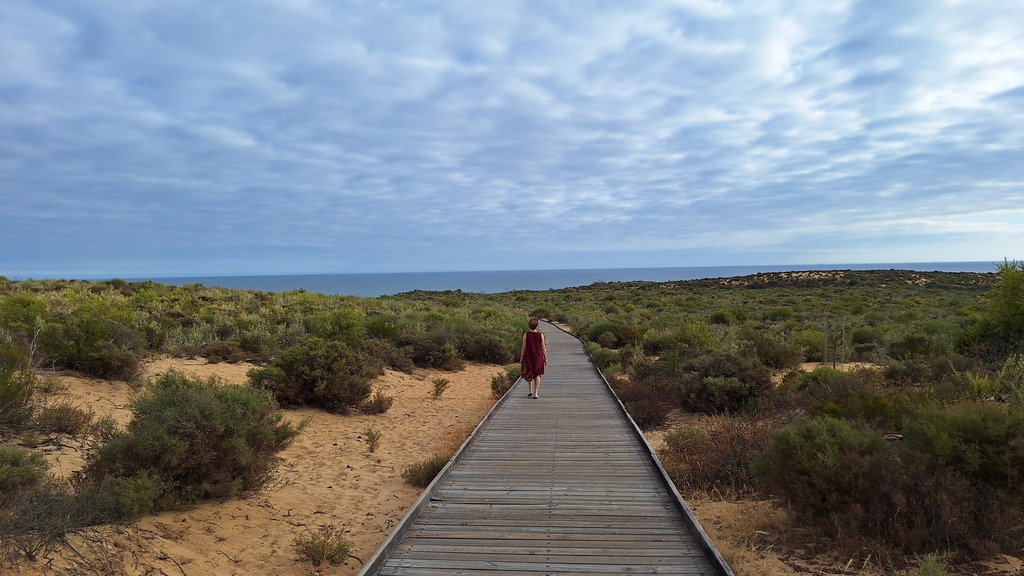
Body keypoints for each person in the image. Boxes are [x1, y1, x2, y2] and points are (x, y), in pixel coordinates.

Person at [520, 316, 547, 398]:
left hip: (528, 356)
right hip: (538, 356)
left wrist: (521, 357)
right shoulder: (540, 335)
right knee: (537, 374)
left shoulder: (526, 335)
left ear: (529, 325)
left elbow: (523, 347)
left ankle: (530, 390)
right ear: (537, 325)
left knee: (529, 372)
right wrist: (545, 357)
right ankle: (536, 393)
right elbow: (543, 348)